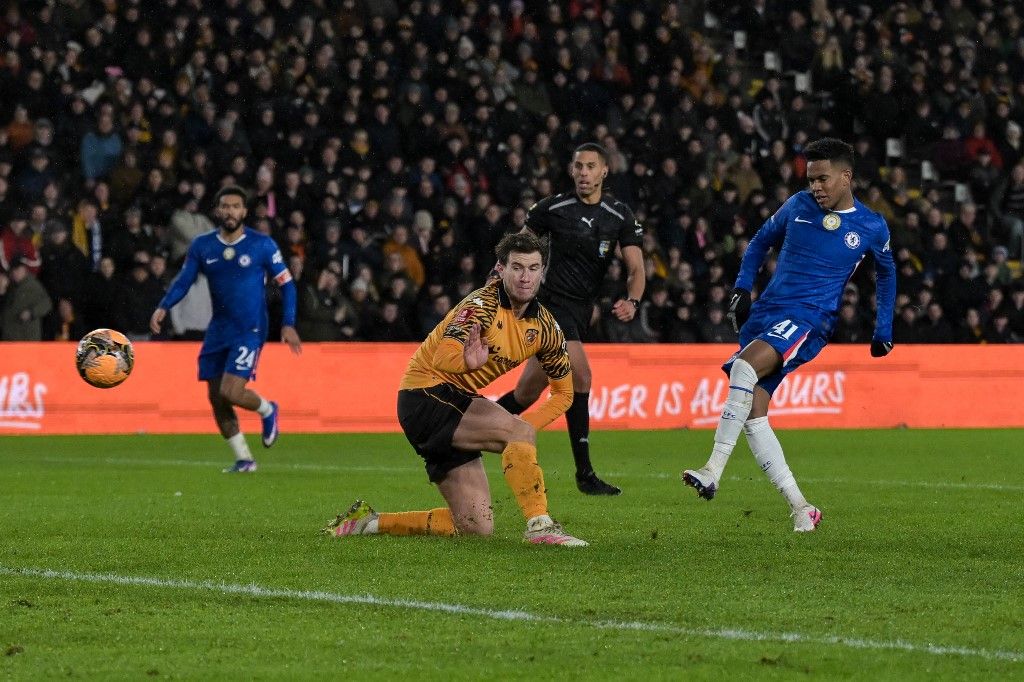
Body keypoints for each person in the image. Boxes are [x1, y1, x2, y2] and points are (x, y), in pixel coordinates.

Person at [681, 138, 896, 532]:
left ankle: (713, 469)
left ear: (846, 176)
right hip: (768, 314)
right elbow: (761, 240)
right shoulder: (797, 205)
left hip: (809, 319)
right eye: (810, 179)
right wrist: (743, 288)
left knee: (743, 369)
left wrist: (883, 327)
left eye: (823, 179)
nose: (815, 186)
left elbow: (887, 273)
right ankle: (802, 508)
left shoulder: (870, 225)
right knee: (754, 413)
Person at [323, 232, 587, 546]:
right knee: (517, 433)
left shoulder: (546, 327)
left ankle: (367, 523)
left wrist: (527, 427)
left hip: (453, 401)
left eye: (533, 268)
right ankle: (540, 527)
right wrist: (467, 362)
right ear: (500, 269)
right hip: (426, 393)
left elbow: (564, 394)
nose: (525, 277)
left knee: (476, 525)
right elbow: (443, 356)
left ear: (543, 272)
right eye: (517, 267)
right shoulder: (481, 305)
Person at [495, 142, 645, 496]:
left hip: (581, 310)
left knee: (527, 391)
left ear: (604, 171)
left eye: (590, 166)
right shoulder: (553, 208)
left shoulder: (619, 215)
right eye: (578, 166)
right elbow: (519, 249)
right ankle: (585, 474)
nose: (583, 173)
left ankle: (464, 427)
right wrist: (501, 281)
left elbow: (636, 267)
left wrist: (633, 300)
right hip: (550, 306)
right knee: (582, 376)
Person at [150, 186, 301, 473]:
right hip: (218, 330)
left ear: (244, 212)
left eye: (236, 206)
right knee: (216, 398)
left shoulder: (262, 244)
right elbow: (184, 280)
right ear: (217, 211)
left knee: (231, 391)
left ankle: (268, 410)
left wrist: (288, 323)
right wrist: (163, 306)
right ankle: (244, 459)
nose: (230, 211)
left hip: (250, 328)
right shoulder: (202, 246)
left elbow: (287, 284)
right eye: (225, 206)